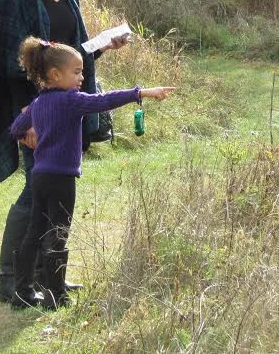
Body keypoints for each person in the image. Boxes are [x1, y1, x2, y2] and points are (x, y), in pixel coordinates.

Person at [0, 0, 129, 303]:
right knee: (35, 194)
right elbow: (8, 65)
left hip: (69, 111)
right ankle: (10, 279)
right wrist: (25, 118)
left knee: (56, 199)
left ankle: (49, 279)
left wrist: (102, 46)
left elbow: (70, 54)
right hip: (38, 113)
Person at [9, 38, 175, 309]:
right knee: (58, 232)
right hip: (62, 178)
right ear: (55, 75)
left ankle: (22, 292)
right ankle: (55, 296)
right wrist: (141, 92)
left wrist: (30, 136)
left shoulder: (38, 104)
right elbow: (104, 100)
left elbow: (16, 128)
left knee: (35, 231)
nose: (82, 77)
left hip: (39, 176)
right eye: (76, 72)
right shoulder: (72, 101)